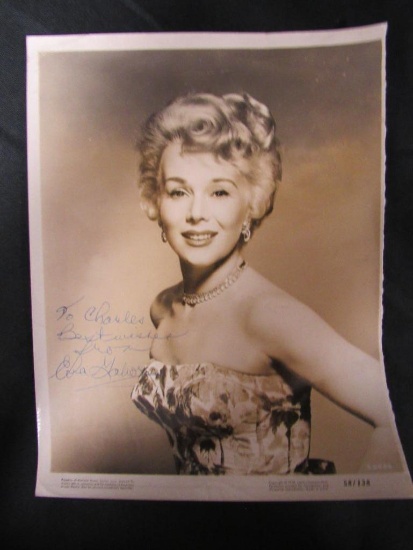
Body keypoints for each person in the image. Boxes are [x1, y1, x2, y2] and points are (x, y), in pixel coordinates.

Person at [131, 92, 397, 475]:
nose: (196, 213)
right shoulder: (163, 308)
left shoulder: (270, 316)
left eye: (219, 192)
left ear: (252, 203)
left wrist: (367, 500)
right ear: (156, 201)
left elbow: (394, 409)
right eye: (178, 191)